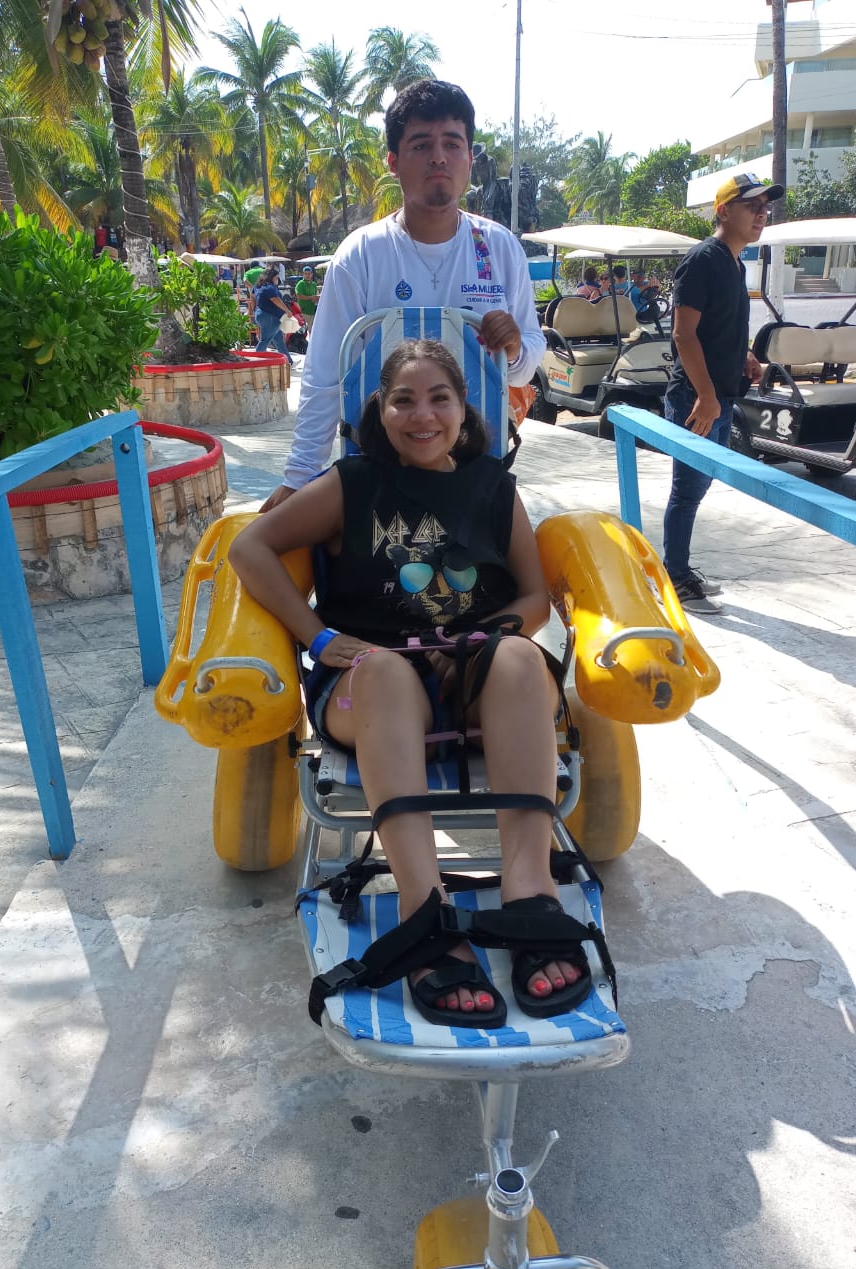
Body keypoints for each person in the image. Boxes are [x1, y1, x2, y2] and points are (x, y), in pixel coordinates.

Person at [230, 339, 592, 1028]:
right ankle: (423, 908)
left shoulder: (494, 487)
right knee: (385, 671)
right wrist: (320, 637)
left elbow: (533, 599)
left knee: (519, 658)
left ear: (463, 408)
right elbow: (251, 546)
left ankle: (530, 892)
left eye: (438, 399)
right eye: (403, 400)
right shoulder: (353, 483)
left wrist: (481, 639)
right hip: (369, 688)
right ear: (381, 408)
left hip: (477, 679)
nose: (421, 415)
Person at [261, 79, 543, 509]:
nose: (438, 157)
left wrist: (517, 347)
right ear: (393, 162)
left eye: (452, 143)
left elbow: (523, 370)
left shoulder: (500, 248)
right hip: (377, 478)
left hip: (476, 479)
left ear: (470, 159)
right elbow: (325, 375)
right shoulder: (361, 254)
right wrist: (299, 477)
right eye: (421, 144)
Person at [662, 172, 780, 614]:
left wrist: (745, 355)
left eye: (765, 207)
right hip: (697, 400)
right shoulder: (703, 260)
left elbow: (719, 325)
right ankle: (675, 577)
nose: (761, 214)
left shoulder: (735, 263)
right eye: (752, 206)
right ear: (724, 211)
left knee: (698, 486)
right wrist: (706, 396)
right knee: (688, 488)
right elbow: (684, 335)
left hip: (719, 397)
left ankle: (678, 568)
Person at [253, 267, 294, 362]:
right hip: (270, 316)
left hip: (263, 314)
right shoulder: (270, 287)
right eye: (276, 277)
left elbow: (253, 296)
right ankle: (256, 361)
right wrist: (287, 310)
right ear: (271, 277)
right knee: (265, 340)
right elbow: (275, 299)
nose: (277, 280)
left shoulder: (259, 286)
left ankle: (288, 361)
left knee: (279, 341)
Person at [294, 264, 320, 333]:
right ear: (303, 274)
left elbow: (316, 295)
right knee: (305, 332)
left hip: (313, 311)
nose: (307, 275)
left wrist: (317, 297)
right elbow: (299, 296)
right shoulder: (300, 284)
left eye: (309, 274)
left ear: (312, 274)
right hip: (304, 312)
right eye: (305, 274)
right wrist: (311, 297)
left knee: (313, 331)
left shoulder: (314, 284)